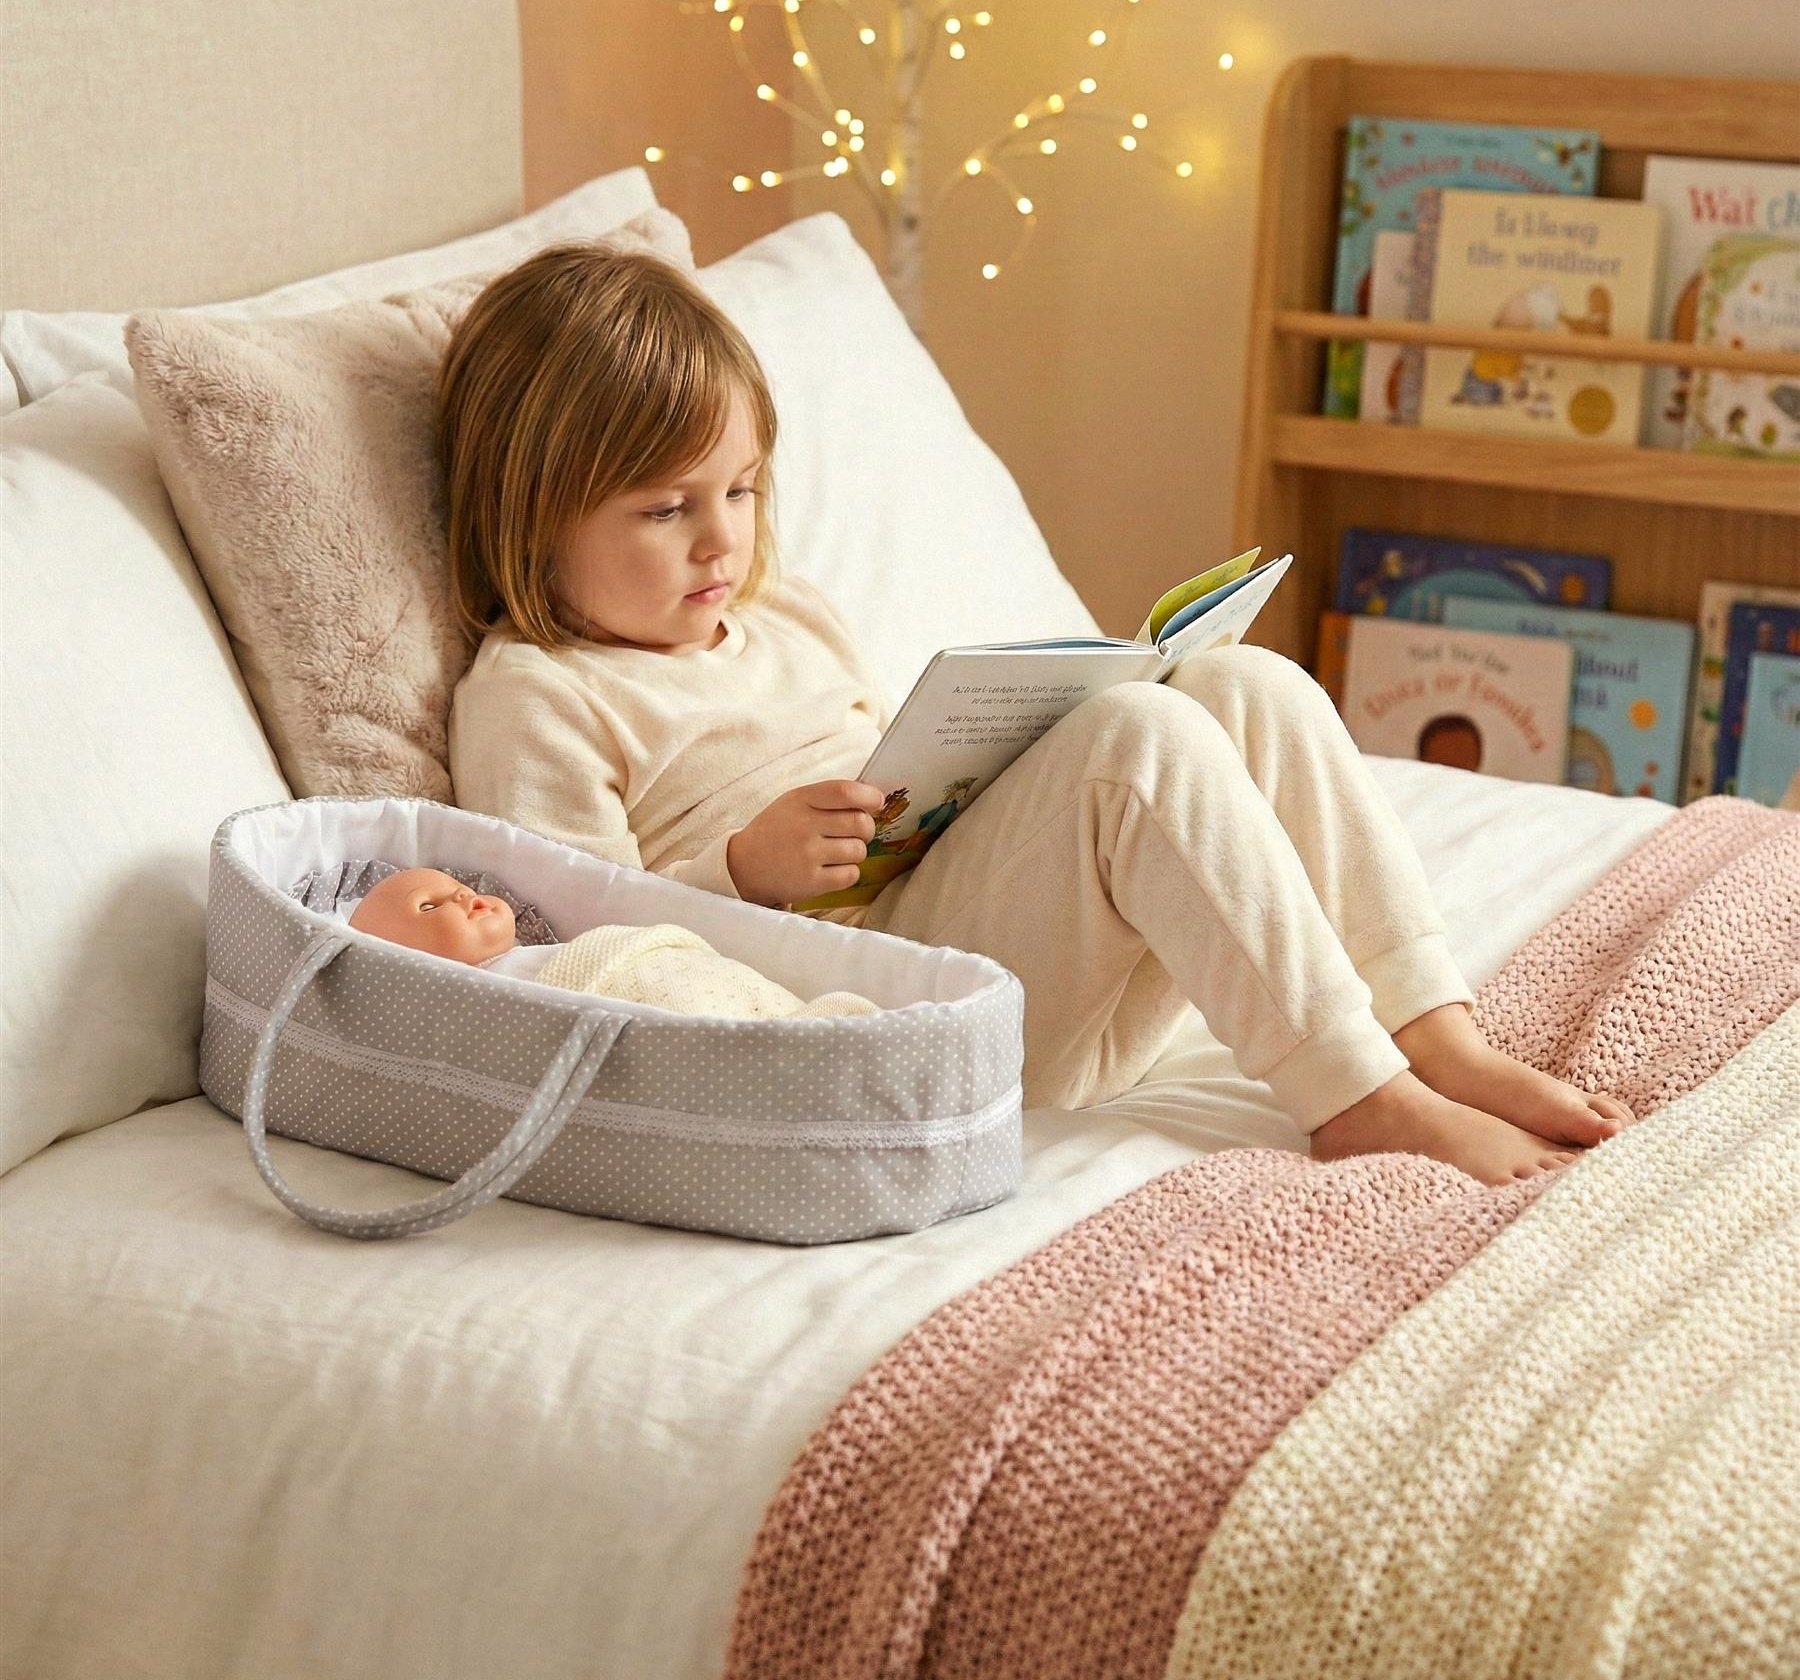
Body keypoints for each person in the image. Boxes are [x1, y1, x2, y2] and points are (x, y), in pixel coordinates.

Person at [441, 241, 1634, 1186]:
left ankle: (1433, 1036)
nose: (721, 538)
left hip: (1009, 951)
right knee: (1137, 751)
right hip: (886, 1014)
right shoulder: (538, 694)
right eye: (664, 510)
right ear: (533, 512)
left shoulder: (782, 612)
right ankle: (1359, 1100)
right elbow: (561, 961)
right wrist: (740, 872)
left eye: (742, 490)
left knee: (1240, 687)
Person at [344, 866, 880, 1019]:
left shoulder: (531, 953)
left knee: (734, 991)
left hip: (650, 966)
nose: (464, 898)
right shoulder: (474, 1002)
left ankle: (804, 1019)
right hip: (628, 1006)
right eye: (431, 907)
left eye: (460, 889)